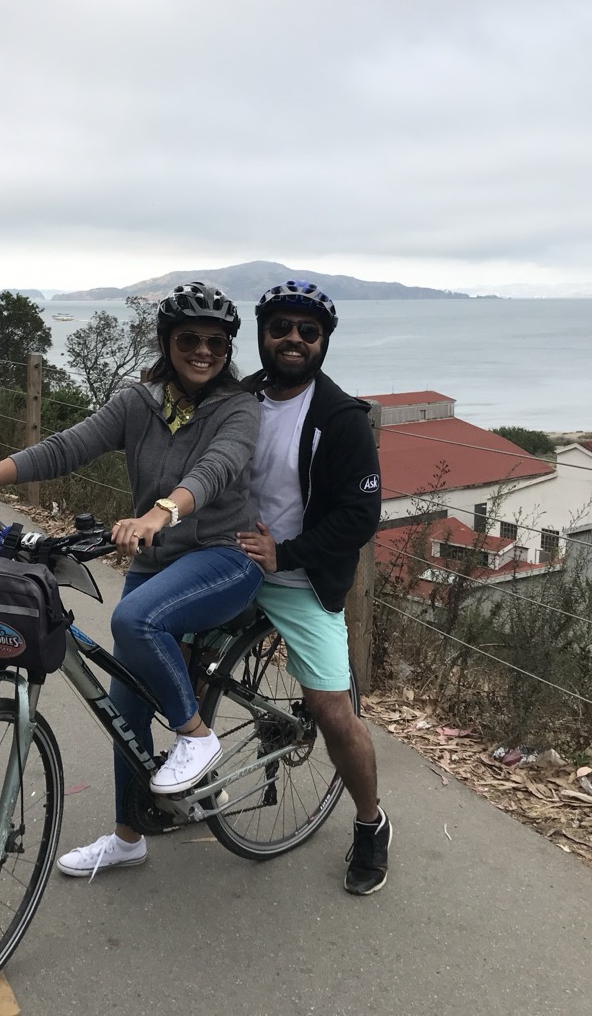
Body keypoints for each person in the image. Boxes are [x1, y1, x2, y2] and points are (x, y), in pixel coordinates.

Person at [0, 282, 263, 878]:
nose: (204, 351)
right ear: (167, 342)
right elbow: (65, 448)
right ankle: (129, 838)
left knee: (134, 620)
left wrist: (162, 512)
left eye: (217, 343)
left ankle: (195, 735)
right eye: (190, 339)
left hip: (224, 556)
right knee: (124, 706)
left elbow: (217, 469)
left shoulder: (238, 408)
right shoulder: (140, 402)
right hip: (158, 562)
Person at [235, 279, 391, 895]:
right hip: (233, 568)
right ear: (262, 335)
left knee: (331, 710)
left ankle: (370, 822)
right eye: (281, 328)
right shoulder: (238, 399)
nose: (294, 339)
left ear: (323, 341)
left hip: (302, 582)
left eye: (308, 331)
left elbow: (360, 517)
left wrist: (288, 553)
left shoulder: (341, 419)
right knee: (169, 653)